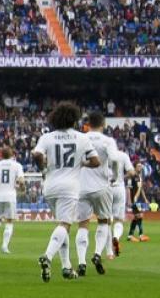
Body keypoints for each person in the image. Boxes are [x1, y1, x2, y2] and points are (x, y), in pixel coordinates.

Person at [32, 102, 99, 282]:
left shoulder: (47, 137)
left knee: (62, 225)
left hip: (50, 185)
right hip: (70, 187)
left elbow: (36, 155)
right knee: (65, 225)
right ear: (74, 119)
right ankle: (47, 256)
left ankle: (66, 267)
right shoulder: (82, 138)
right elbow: (96, 161)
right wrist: (82, 163)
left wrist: (43, 169)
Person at [74, 111, 116, 276]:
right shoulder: (107, 141)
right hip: (101, 187)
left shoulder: (79, 138)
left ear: (88, 123)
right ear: (103, 124)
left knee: (83, 225)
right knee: (104, 221)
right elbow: (114, 159)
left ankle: (82, 262)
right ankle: (97, 254)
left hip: (81, 188)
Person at [0, 147, 25, 254]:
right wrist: (22, 187)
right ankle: (4, 246)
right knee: (9, 221)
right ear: (12, 154)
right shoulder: (17, 165)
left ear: (1, 155)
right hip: (10, 196)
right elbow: (21, 180)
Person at [107, 146, 134, 259]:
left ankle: (109, 252)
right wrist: (122, 177)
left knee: (106, 221)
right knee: (119, 220)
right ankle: (116, 237)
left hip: (107, 188)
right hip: (119, 188)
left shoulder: (104, 156)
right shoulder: (123, 155)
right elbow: (132, 172)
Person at [127, 163, 149, 242]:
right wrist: (129, 199)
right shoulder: (132, 177)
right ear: (135, 167)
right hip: (134, 199)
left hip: (139, 199)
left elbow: (141, 189)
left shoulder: (139, 177)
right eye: (138, 166)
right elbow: (128, 188)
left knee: (138, 216)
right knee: (139, 215)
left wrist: (145, 199)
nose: (140, 167)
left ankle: (130, 235)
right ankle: (141, 235)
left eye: (141, 166)